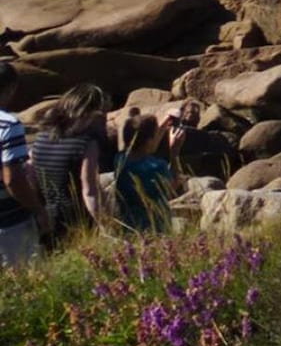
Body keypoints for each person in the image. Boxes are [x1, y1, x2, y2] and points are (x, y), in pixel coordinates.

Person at [33, 83, 110, 241]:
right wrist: (108, 227)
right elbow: (89, 191)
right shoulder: (87, 142)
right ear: (92, 112)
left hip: (47, 215)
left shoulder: (41, 137)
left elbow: (31, 174)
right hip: (77, 219)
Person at [0, 61, 50, 268]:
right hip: (9, 223)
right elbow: (13, 180)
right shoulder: (8, 125)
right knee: (25, 284)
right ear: (10, 88)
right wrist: (38, 209)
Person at [111, 104, 186, 232]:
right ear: (148, 141)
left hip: (128, 224)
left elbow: (142, 142)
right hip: (155, 227)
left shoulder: (120, 159)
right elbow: (171, 189)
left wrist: (164, 123)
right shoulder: (156, 166)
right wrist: (174, 153)